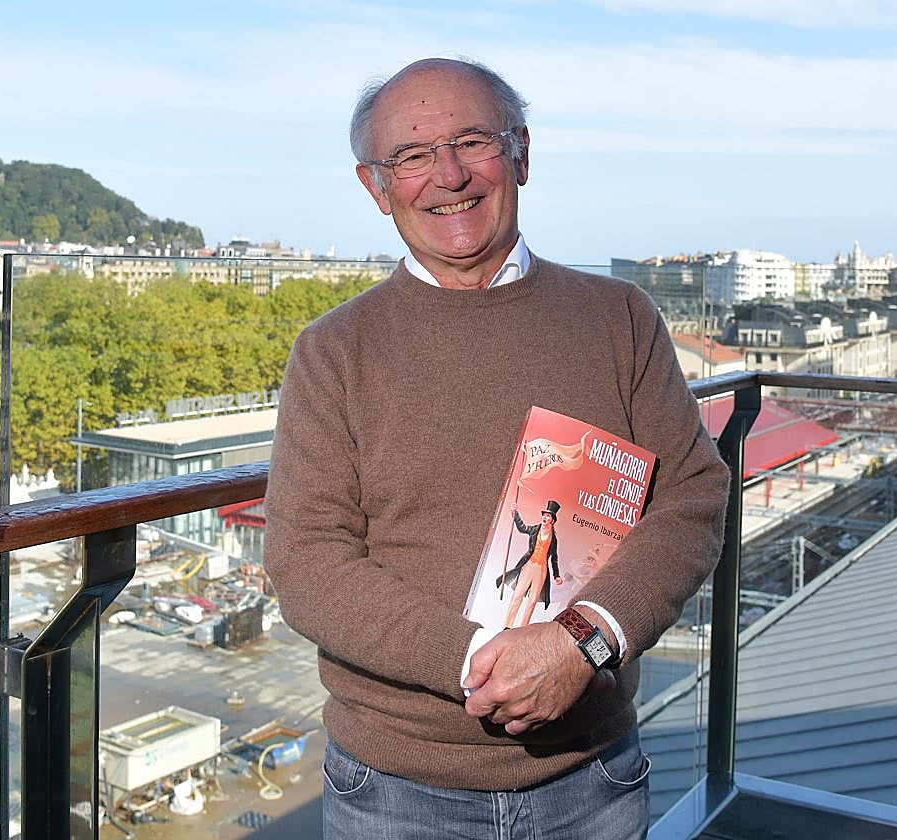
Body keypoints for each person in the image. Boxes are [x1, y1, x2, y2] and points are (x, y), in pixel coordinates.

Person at [264, 57, 729, 840]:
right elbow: (307, 561)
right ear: (376, 188)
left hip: (595, 776)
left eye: (471, 141)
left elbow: (694, 497)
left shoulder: (620, 317)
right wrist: (494, 660)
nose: (447, 175)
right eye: (411, 156)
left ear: (520, 153)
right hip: (395, 792)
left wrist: (582, 644)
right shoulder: (332, 350)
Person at [497, 500, 562, 628]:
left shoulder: (554, 539)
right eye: (544, 514)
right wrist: (515, 514)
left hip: (541, 570)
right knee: (517, 595)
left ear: (552, 520)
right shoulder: (535, 529)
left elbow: (554, 558)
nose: (545, 517)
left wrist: (556, 575)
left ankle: (522, 628)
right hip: (529, 565)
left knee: (532, 601)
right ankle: (507, 626)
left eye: (548, 516)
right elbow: (523, 528)